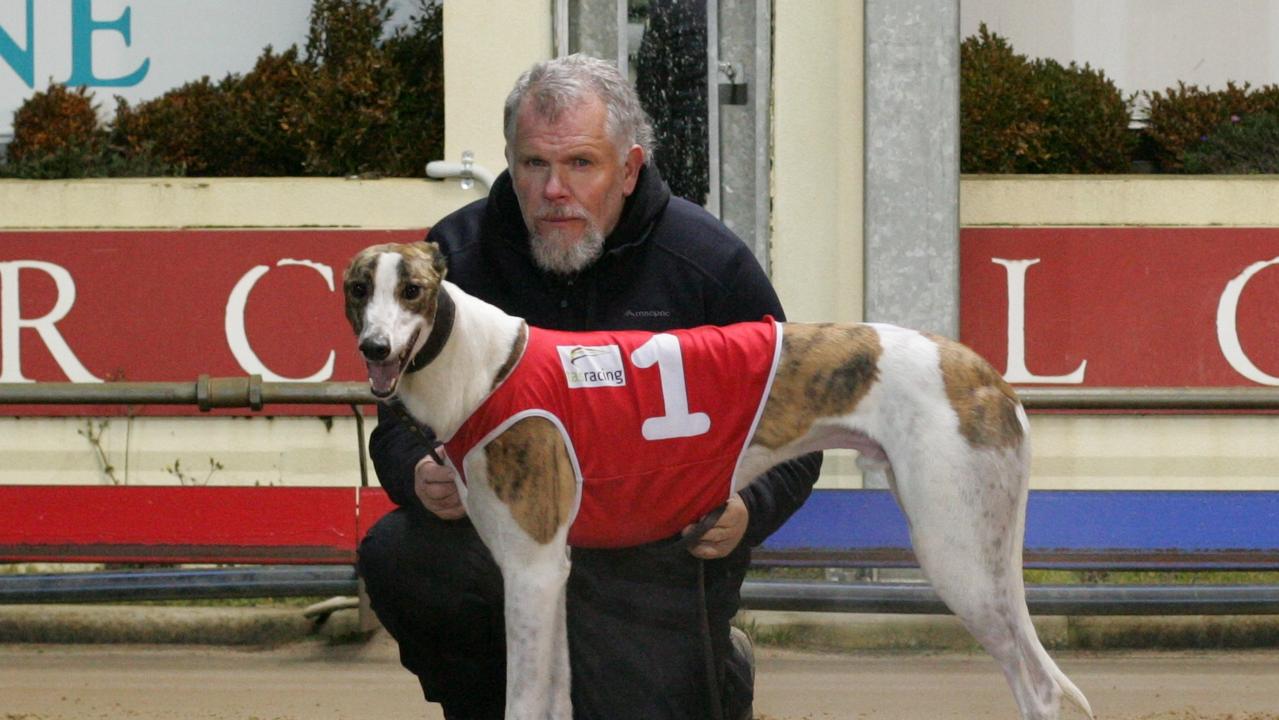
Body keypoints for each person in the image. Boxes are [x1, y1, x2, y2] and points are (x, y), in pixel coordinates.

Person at [357, 53, 822, 720]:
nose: (553, 189)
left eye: (580, 163)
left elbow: (800, 422)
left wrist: (750, 504)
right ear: (510, 164)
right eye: (532, 164)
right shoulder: (451, 261)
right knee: (402, 557)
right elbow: (401, 417)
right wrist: (418, 473)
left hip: (654, 558)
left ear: (628, 168)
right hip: (500, 537)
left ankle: (716, 670)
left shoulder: (707, 265)